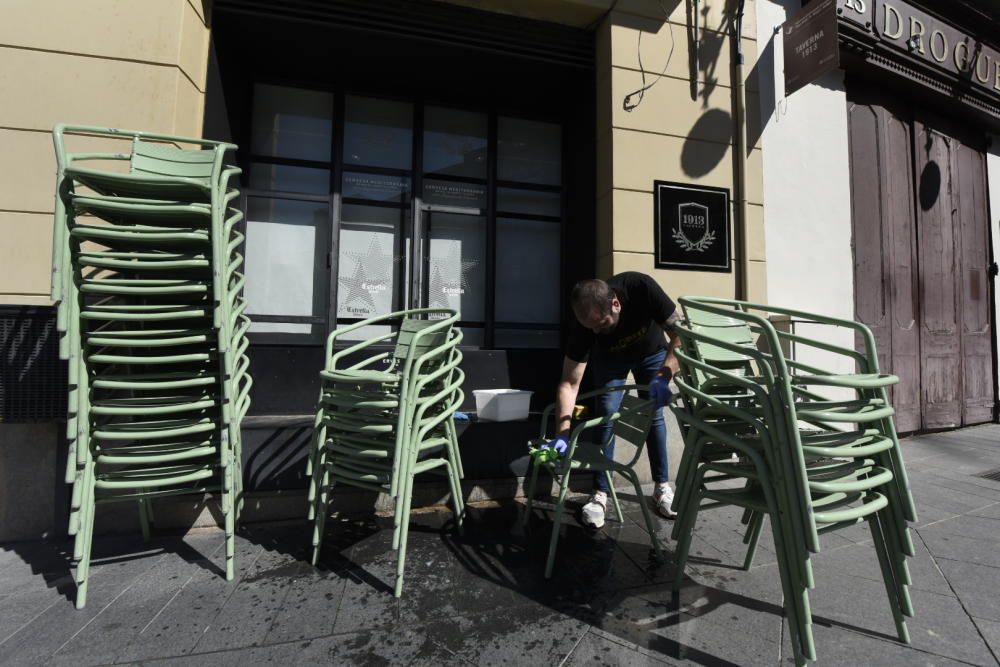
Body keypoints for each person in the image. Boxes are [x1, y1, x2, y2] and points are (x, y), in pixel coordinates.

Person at [546, 272, 681, 529]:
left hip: (651, 352)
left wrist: (663, 377)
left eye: (603, 324)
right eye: (591, 328)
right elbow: (569, 383)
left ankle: (662, 487)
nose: (597, 331)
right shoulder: (585, 328)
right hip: (611, 360)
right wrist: (562, 434)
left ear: (616, 304)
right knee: (605, 413)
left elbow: (681, 334)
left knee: (653, 414)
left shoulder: (640, 287)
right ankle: (600, 493)